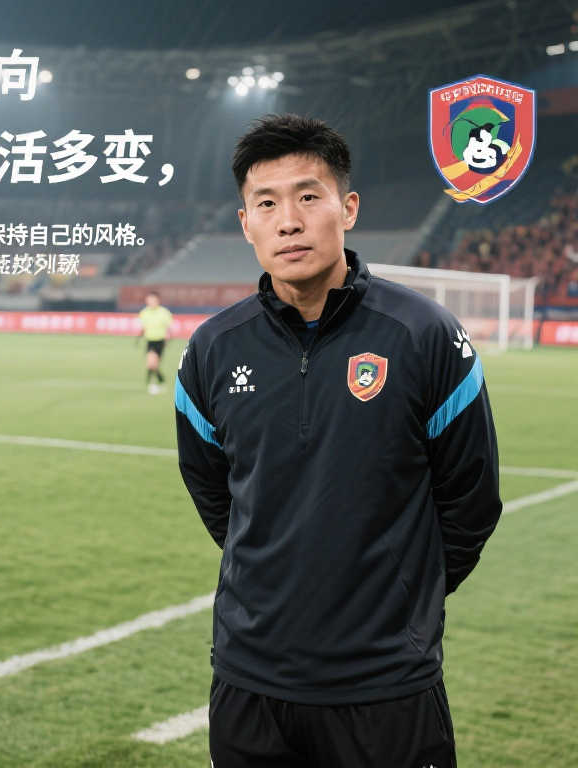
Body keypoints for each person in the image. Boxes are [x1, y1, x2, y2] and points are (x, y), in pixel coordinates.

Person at [174, 114, 502, 768]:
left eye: (308, 196)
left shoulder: (425, 335)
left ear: (347, 209)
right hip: (249, 681)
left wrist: (399, 597)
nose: (288, 222)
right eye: (266, 204)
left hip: (386, 686)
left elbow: (471, 500)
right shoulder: (211, 349)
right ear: (246, 224)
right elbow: (213, 491)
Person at [137, 291, 172, 394]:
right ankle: (152, 384)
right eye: (149, 300)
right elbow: (143, 327)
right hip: (150, 341)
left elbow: (168, 328)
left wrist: (168, 340)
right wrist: (138, 338)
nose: (151, 302)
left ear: (157, 300)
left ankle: (159, 382)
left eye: (153, 300)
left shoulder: (164, 312)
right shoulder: (144, 312)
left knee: (155, 365)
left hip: (160, 341)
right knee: (151, 363)